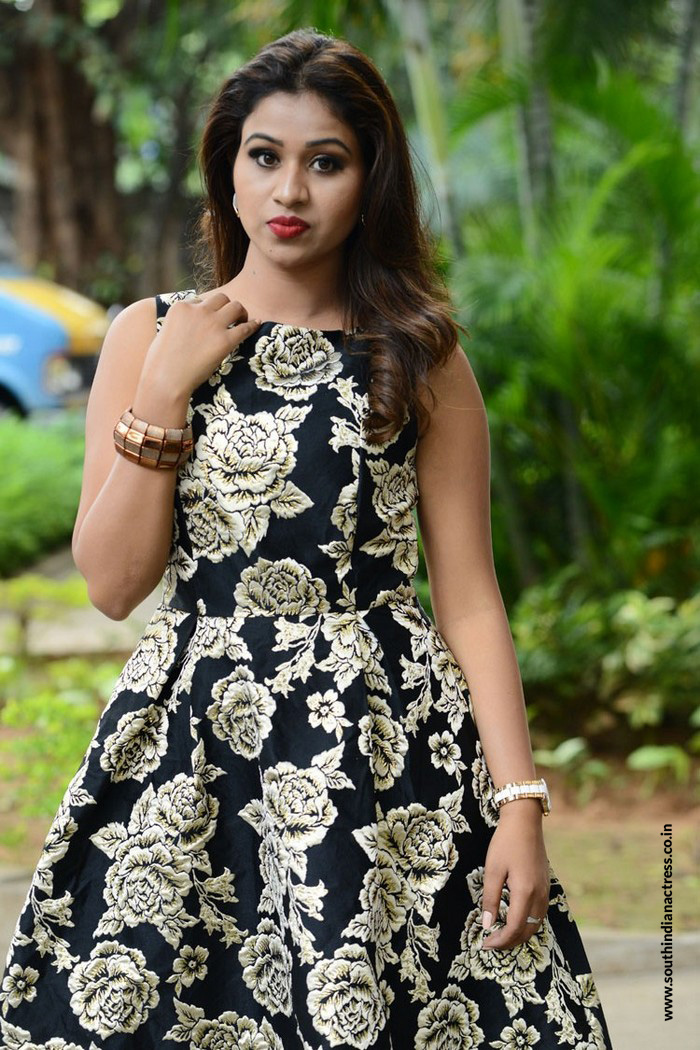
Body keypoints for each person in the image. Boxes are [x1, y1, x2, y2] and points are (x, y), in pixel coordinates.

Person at [0, 28, 613, 1050]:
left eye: (326, 162)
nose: (290, 189)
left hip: (381, 750)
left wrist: (519, 804)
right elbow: (110, 585)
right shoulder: (147, 334)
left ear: (369, 182)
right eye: (264, 156)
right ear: (228, 169)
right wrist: (166, 386)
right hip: (196, 748)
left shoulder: (418, 355)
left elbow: (468, 596)